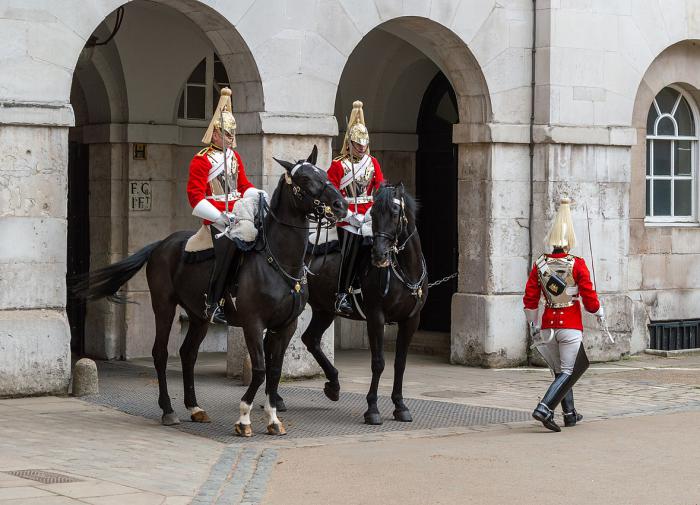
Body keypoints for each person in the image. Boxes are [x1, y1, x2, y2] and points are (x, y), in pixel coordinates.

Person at [523, 197, 606, 432]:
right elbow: (590, 300)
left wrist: (533, 324)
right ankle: (544, 408)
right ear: (569, 242)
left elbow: (530, 298)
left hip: (548, 324)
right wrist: (599, 311)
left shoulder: (540, 264)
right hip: (570, 324)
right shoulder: (577, 264)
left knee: (561, 371)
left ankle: (569, 414)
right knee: (569, 372)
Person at [187, 87, 262, 322]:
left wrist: (260, 194)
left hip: (237, 213)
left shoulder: (234, 157)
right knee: (229, 247)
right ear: (216, 133)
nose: (231, 139)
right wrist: (219, 218)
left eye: (233, 134)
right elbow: (195, 196)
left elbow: (243, 185)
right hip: (217, 217)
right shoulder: (201, 159)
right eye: (227, 134)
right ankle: (214, 301)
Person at [327, 100, 384, 315]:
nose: (361, 147)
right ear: (349, 143)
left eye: (364, 143)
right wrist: (350, 217)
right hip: (347, 216)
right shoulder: (338, 165)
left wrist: (374, 210)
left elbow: (379, 187)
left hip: (369, 213)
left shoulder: (373, 162)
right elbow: (332, 196)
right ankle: (341, 294)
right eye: (357, 143)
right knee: (351, 248)